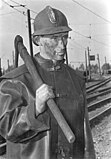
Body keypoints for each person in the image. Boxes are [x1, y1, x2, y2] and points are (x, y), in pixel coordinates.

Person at [0, 6, 95, 159]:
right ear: (38, 40)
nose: (62, 45)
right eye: (55, 38)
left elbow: (85, 134)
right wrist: (35, 109)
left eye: (65, 37)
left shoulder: (76, 80)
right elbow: (5, 129)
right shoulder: (16, 82)